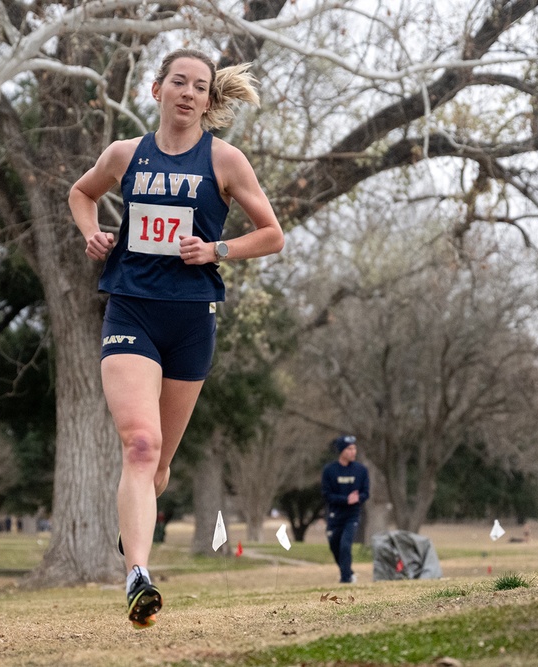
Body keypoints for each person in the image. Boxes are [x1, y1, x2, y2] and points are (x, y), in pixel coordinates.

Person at [69, 49, 285, 628]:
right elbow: (80, 193)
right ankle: (138, 575)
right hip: (131, 312)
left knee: (159, 465)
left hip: (191, 321)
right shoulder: (124, 155)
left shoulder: (226, 160)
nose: (188, 93)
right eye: (179, 82)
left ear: (209, 101)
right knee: (139, 446)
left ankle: (134, 525)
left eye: (201, 87)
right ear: (157, 88)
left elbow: (272, 235)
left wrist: (218, 249)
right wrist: (93, 235)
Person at [321, 434, 370, 583]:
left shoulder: (361, 470)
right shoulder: (329, 470)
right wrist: (345, 499)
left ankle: (346, 579)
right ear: (341, 451)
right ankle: (348, 572)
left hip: (352, 515)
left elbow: (365, 493)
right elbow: (326, 494)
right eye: (349, 449)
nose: (353, 452)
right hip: (335, 515)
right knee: (335, 546)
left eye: (354, 448)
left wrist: (358, 498)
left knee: (345, 545)